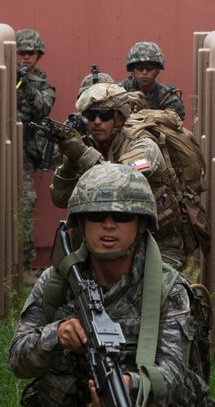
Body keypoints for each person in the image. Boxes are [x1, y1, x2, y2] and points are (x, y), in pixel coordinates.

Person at [10, 164, 194, 407]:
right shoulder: (58, 282)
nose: (108, 226)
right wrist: (55, 337)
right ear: (80, 222)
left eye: (122, 216)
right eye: (97, 216)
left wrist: (131, 386)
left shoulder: (167, 290)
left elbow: (173, 374)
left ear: (141, 223)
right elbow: (17, 358)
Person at [50, 83, 186, 268]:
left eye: (105, 116)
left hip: (155, 244)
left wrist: (82, 155)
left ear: (120, 119)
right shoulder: (86, 146)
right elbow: (59, 200)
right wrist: (69, 165)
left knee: (158, 290)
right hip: (102, 243)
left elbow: (120, 182)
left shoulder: (143, 145)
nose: (97, 121)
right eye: (91, 116)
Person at [17, 28, 57, 273]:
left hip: (23, 152)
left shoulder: (42, 83)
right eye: (21, 51)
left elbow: (43, 109)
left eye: (31, 53)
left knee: (24, 202)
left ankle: (25, 261)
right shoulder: (3, 74)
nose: (26, 57)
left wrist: (25, 86)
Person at [120, 42, 185, 119]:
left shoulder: (166, 98)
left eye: (150, 67)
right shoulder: (120, 91)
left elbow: (174, 123)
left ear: (158, 69)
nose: (144, 72)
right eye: (139, 67)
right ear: (132, 69)